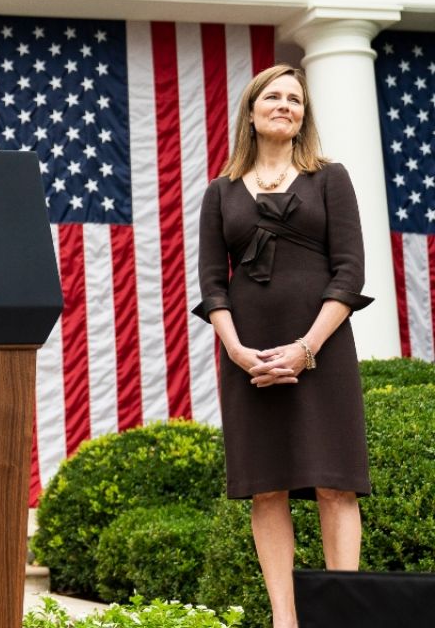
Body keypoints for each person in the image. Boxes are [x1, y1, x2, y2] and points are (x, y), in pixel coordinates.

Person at [193, 64, 372, 628]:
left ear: (303, 116)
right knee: (266, 488)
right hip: (249, 359)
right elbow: (212, 284)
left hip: (323, 351)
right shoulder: (220, 192)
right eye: (273, 96)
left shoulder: (330, 178)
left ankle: (342, 618)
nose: (286, 106)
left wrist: (307, 348)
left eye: (295, 99)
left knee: (335, 484)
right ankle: (284, 620)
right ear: (251, 112)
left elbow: (349, 272)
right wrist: (237, 351)